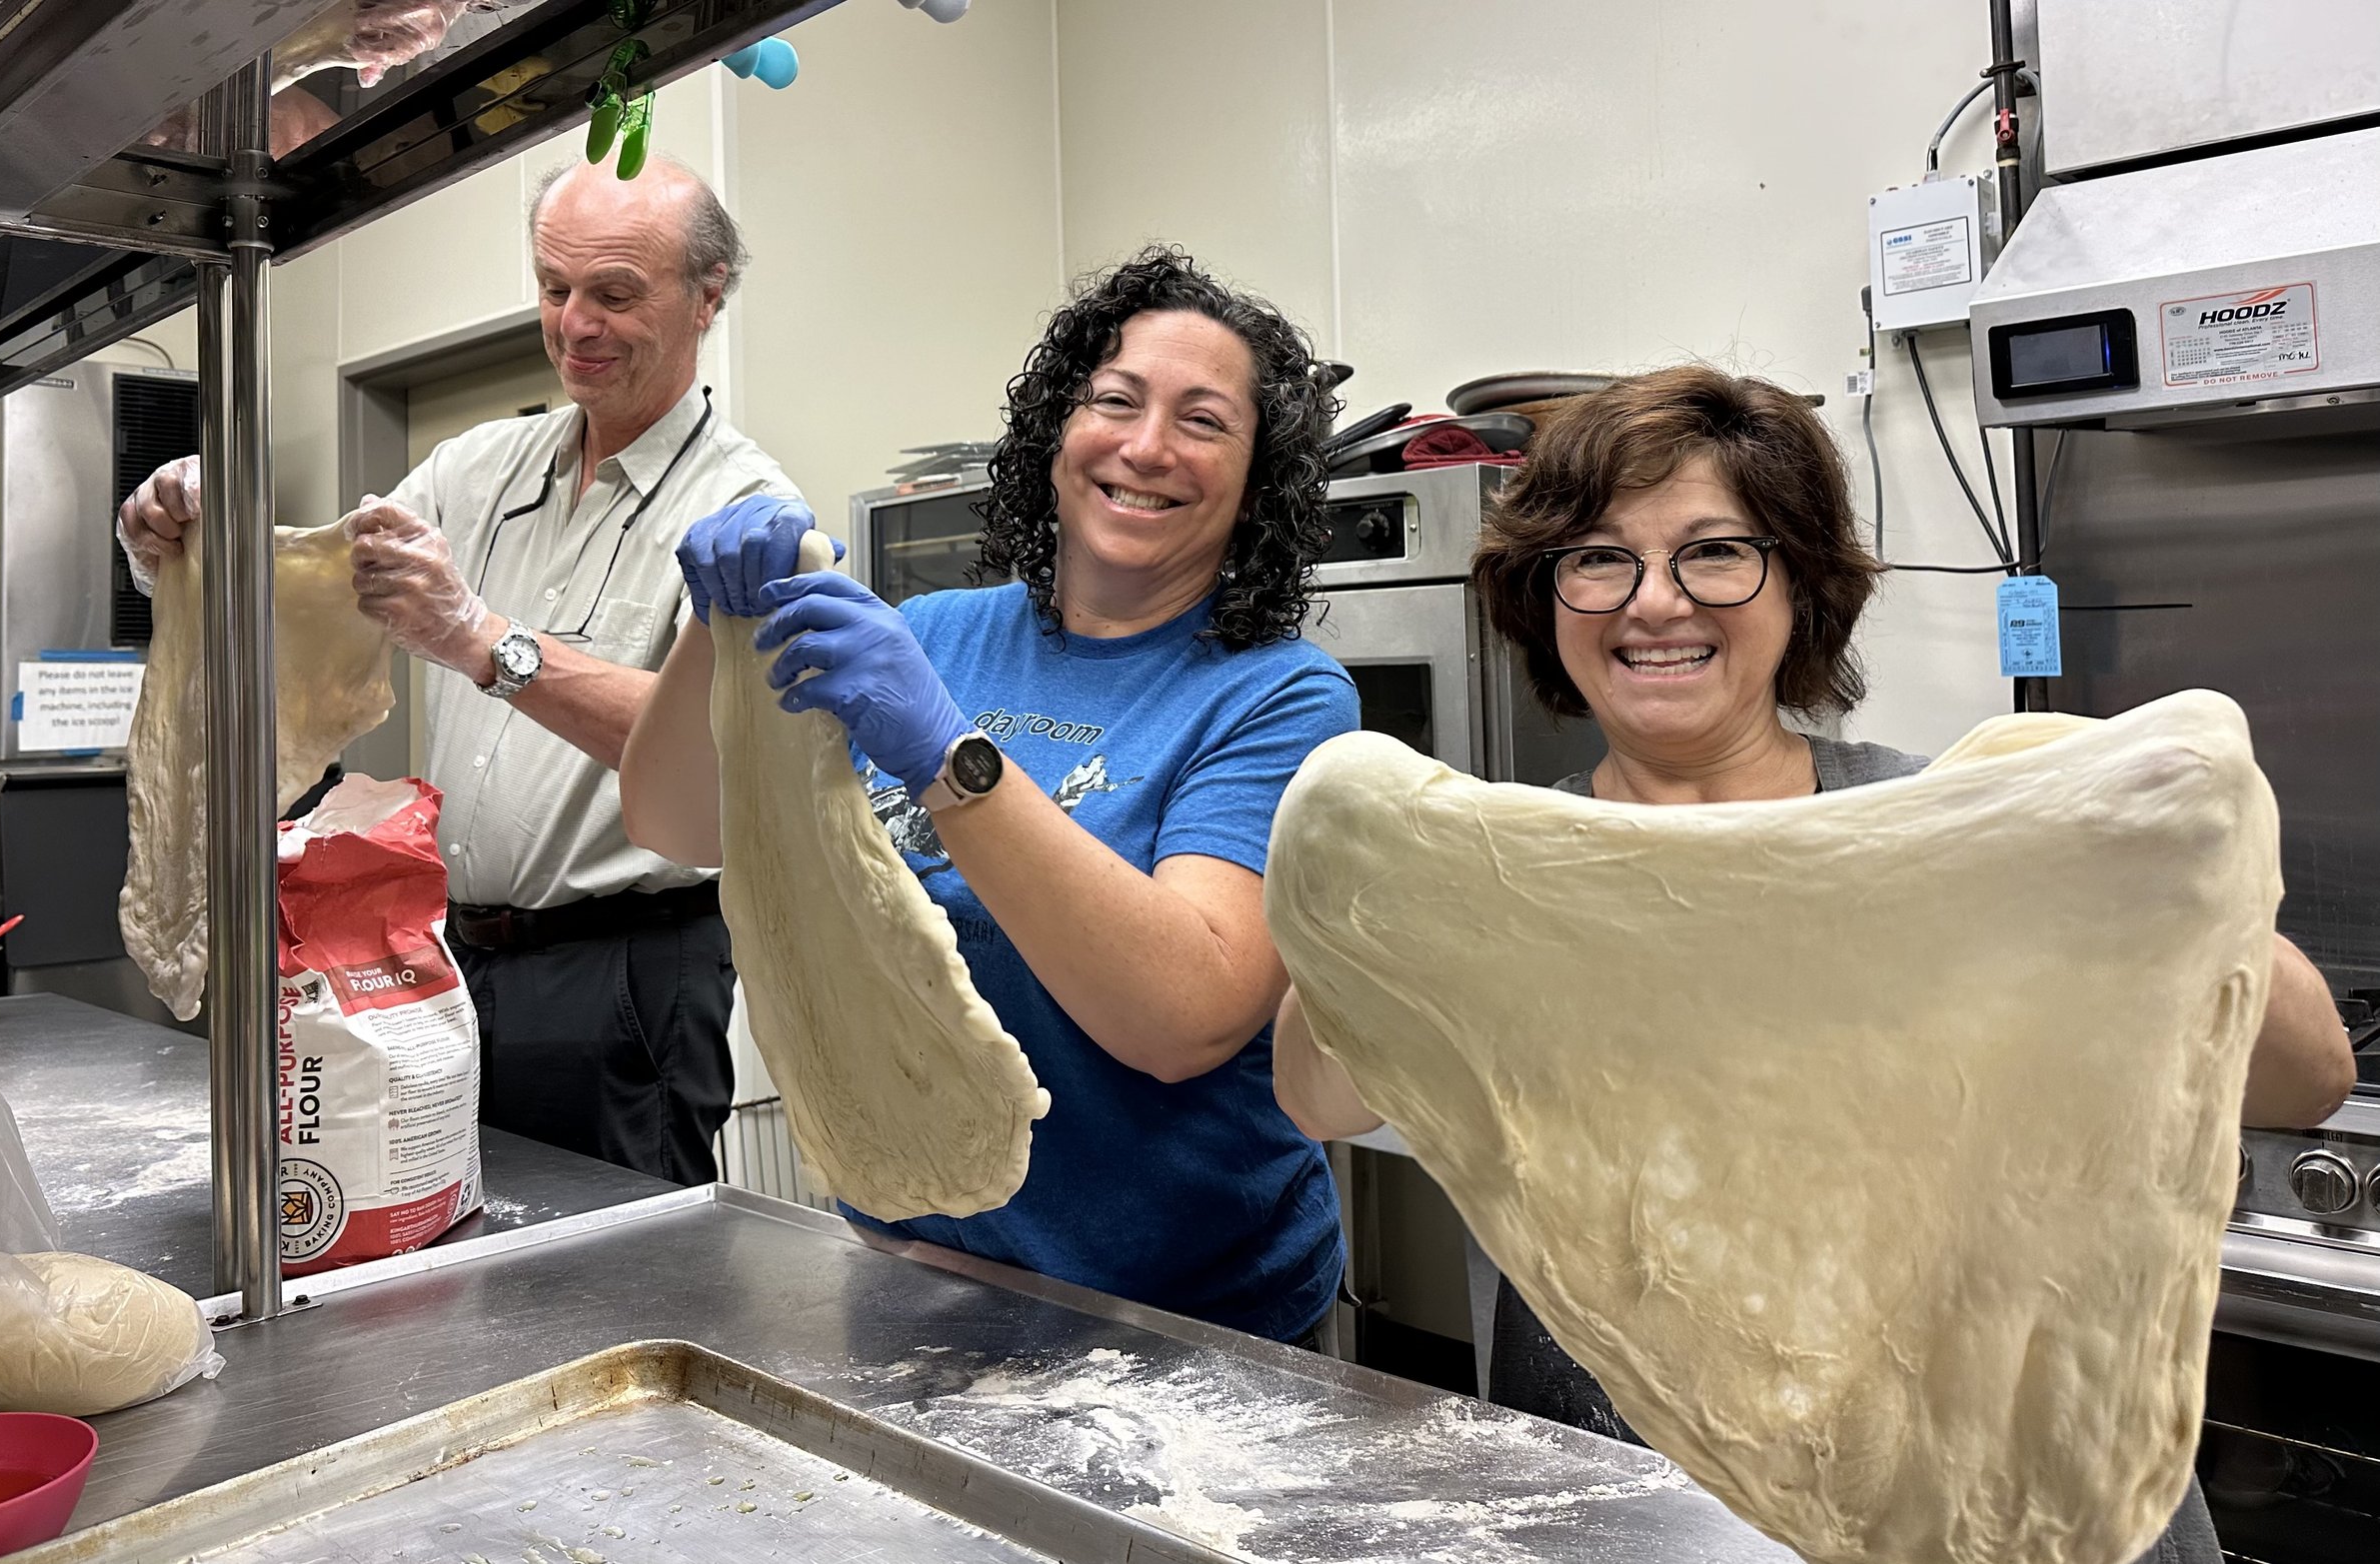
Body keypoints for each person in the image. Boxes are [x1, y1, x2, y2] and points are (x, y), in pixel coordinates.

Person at [1272, 365, 2354, 1559]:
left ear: (1798, 584)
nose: (1654, 602)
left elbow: (2307, 1077)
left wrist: (2172, 874)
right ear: (1545, 594)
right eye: (1597, 557)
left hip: (2003, 1507)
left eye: (1714, 551)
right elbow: (1320, 1097)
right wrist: (1355, 900)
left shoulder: (1957, 828)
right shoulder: (1496, 871)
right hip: (1633, 1502)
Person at [624, 247, 1358, 1344]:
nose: (1146, 446)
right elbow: (675, 822)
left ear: (1257, 480)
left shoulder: (1279, 696)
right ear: (1058, 429)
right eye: (1115, 400)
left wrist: (946, 754)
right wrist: (717, 621)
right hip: (914, 1274)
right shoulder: (932, 634)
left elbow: (1187, 1017)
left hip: (1187, 1318)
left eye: (1203, 421)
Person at [116, 155, 798, 1185]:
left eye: (614, 293)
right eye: (553, 288)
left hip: (625, 969)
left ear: (708, 297)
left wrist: (482, 640)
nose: (574, 324)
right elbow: (310, 599)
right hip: (447, 951)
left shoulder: (747, 512)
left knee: (612, 1254)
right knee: (453, 1233)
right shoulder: (476, 470)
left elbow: (716, 754)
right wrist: (184, 545)